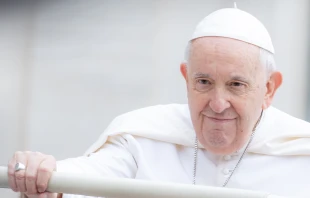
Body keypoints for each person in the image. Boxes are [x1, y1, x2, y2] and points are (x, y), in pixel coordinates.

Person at [7, 7, 310, 198]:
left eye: (236, 85)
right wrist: (42, 173)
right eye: (203, 82)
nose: (218, 104)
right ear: (186, 77)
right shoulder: (144, 139)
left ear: (269, 89)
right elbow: (80, 179)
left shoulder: (302, 156)